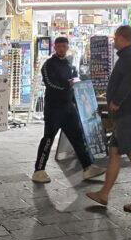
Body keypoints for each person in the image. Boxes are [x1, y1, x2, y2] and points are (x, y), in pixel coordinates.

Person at [86, 25, 131, 212]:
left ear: (122, 38)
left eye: (115, 38)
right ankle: (104, 193)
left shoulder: (130, 56)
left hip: (128, 112)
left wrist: (116, 100)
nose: (114, 42)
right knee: (115, 152)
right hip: (130, 111)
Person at [32, 37, 105, 184]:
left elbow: (75, 82)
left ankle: (88, 167)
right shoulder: (48, 65)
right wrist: (67, 86)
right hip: (53, 109)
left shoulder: (70, 64)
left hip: (68, 108)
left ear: (67, 47)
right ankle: (39, 171)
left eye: (64, 46)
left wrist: (76, 92)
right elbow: (50, 84)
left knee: (78, 137)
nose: (61, 49)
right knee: (48, 138)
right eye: (59, 46)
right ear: (54, 47)